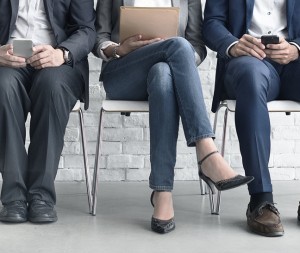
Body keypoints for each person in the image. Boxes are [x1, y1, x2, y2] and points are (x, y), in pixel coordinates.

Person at [93, 0, 253, 234]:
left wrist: (180, 62)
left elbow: (197, 46)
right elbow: (99, 37)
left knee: (163, 74)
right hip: (123, 72)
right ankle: (207, 152)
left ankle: (162, 192)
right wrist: (119, 49)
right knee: (177, 45)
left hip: (168, 73)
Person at [202, 0, 300, 236]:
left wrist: (296, 48)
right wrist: (233, 44)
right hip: (248, 62)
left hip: (294, 62)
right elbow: (212, 23)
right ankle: (261, 200)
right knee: (251, 77)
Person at [0, 0, 96, 223]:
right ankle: (13, 197)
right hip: (9, 60)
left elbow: (87, 30)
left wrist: (62, 53)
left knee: (51, 88)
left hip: (57, 61)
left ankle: (41, 196)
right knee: (3, 89)